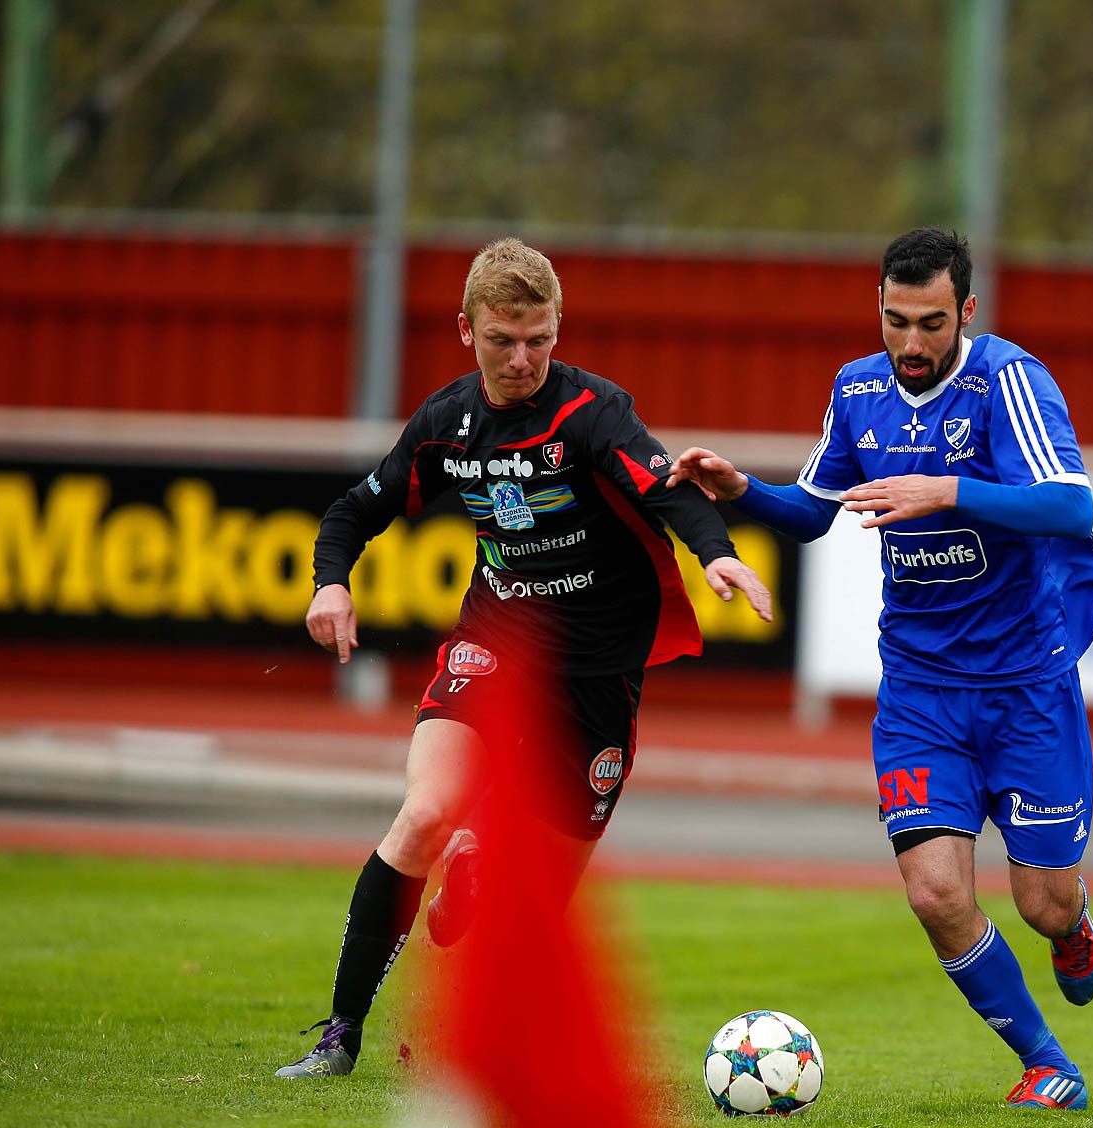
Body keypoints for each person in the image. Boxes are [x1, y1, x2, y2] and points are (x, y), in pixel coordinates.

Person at [276, 238, 771, 1079]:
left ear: (558, 328)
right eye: (504, 340)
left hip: (599, 671)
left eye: (539, 339)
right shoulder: (446, 424)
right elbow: (354, 510)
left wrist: (715, 552)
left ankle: (482, 922)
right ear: (465, 331)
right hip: (495, 643)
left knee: (541, 901)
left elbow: (666, 490)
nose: (523, 358)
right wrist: (331, 584)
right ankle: (339, 1035)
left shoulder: (590, 413)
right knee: (423, 815)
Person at [671, 227, 1093, 1110]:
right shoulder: (857, 388)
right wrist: (739, 491)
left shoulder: (1006, 380)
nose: (911, 344)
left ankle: (1077, 923)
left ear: (967, 314)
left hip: (1025, 683)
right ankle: (1046, 1063)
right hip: (918, 690)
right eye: (895, 321)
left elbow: (1070, 504)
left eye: (931, 324)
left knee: (1043, 905)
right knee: (936, 892)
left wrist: (944, 489)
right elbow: (811, 512)